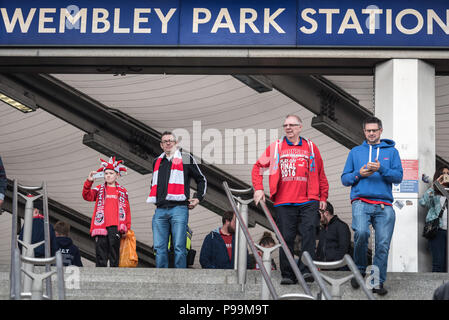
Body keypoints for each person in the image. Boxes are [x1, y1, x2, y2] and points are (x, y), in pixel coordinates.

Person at [252, 114, 329, 285]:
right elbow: (258, 167)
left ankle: (306, 271)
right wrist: (258, 188)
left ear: (300, 127)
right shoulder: (276, 147)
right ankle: (287, 273)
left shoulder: (310, 147)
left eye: (292, 125)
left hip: (308, 200)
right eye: (285, 125)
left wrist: (323, 196)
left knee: (309, 234)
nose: (288, 128)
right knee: (285, 237)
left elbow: (320, 173)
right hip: (284, 201)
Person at [341, 116, 403, 296]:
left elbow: (398, 177)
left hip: (384, 205)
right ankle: (359, 270)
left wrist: (381, 169)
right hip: (361, 201)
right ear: (364, 132)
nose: (371, 133)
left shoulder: (392, 152)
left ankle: (377, 281)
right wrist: (358, 174)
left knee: (382, 245)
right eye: (368, 130)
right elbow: (345, 179)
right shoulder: (355, 152)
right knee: (361, 233)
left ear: (380, 131)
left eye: (374, 130)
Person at [147, 131, 207, 269]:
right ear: (161, 145)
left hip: (179, 208)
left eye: (171, 140)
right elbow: (153, 183)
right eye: (165, 141)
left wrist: (198, 198)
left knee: (180, 246)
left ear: (176, 143)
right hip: (160, 209)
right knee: (159, 247)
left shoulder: (185, 158)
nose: (168, 143)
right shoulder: (157, 161)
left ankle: (180, 278)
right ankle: (161, 278)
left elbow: (201, 179)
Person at [82, 156, 131, 267]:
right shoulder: (99, 188)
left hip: (116, 226)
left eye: (111, 173)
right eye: (106, 173)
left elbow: (127, 211)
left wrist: (127, 227)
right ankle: (100, 278)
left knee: (114, 255)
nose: (108, 175)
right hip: (101, 226)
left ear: (117, 175)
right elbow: (87, 196)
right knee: (101, 254)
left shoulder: (123, 192)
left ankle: (114, 279)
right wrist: (89, 181)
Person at [419, 167, 449, 272]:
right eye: (443, 173)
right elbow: (423, 202)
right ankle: (438, 288)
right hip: (438, 230)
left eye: (447, 173)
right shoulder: (434, 191)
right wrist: (434, 185)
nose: (446, 175)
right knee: (438, 263)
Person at [315, 201, 351, 268]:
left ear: (326, 213)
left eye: (319, 214)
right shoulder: (323, 228)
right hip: (324, 268)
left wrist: (334, 267)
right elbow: (319, 249)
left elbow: (343, 249)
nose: (318, 218)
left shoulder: (341, 226)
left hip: (338, 270)